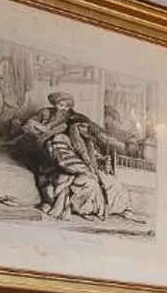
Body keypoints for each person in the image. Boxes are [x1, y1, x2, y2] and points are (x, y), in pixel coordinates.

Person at [20, 92, 126, 221]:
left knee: (114, 183)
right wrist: (45, 128)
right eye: (61, 105)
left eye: (67, 106)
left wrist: (101, 161)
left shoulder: (84, 139)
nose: (64, 108)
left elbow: (89, 155)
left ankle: (118, 210)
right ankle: (85, 210)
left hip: (78, 170)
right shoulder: (57, 133)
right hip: (57, 168)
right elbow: (65, 160)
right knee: (88, 183)